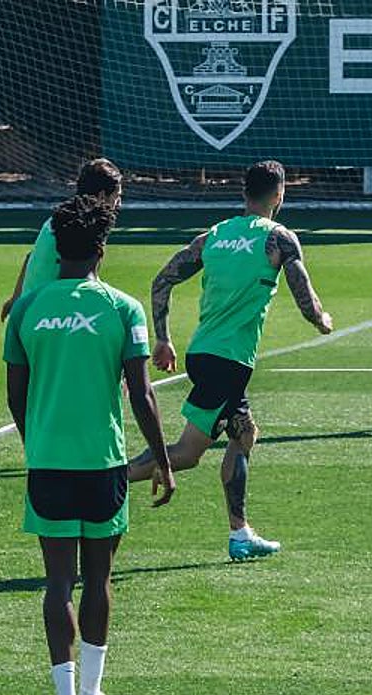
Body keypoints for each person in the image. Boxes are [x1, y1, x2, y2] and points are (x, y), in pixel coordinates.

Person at [3, 194, 175, 695]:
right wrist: (164, 461)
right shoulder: (124, 309)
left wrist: (39, 441)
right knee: (99, 577)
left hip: (49, 462)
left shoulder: (28, 309)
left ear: (57, 251)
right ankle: (95, 693)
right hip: (104, 463)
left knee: (58, 582)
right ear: (102, 250)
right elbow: (142, 394)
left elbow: (15, 393)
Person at [127, 161, 333, 560]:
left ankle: (240, 534)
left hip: (204, 352)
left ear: (244, 193)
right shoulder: (279, 238)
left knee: (244, 434)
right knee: (187, 454)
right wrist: (321, 320)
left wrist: (164, 339)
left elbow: (162, 281)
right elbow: (304, 293)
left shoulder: (214, 236)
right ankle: (108, 482)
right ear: (279, 194)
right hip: (229, 360)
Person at [0, 159, 123, 321]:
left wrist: (16, 300)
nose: (119, 203)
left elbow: (30, 257)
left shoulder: (59, 219)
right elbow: (84, 281)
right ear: (101, 196)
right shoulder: (86, 227)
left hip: (30, 311)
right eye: (117, 196)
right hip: (46, 317)